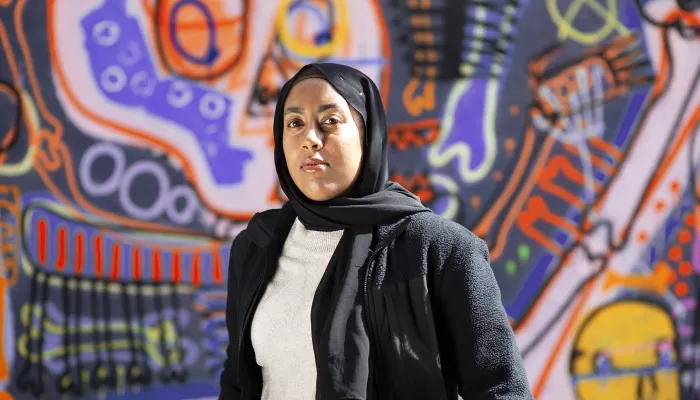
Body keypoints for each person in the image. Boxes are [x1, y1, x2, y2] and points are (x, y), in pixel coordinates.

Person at [219, 63, 533, 400]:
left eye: (330, 121)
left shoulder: (439, 250)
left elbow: (500, 390)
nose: (310, 139)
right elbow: (238, 382)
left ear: (368, 135)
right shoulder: (256, 247)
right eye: (294, 123)